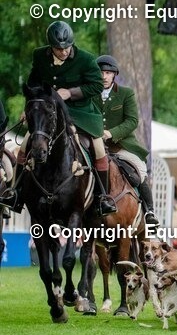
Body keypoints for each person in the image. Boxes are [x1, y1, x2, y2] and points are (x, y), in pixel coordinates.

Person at [0, 21, 116, 215]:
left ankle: (101, 198)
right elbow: (33, 82)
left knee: (98, 148)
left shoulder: (86, 60)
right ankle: (16, 194)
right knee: (24, 146)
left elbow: (96, 85)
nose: (63, 52)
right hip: (47, 113)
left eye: (66, 47)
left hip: (80, 113)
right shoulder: (39, 55)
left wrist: (70, 93)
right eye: (58, 48)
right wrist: (29, 107)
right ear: (50, 46)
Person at [95, 55, 160, 226]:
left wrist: (111, 133)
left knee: (139, 171)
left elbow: (132, 121)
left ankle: (149, 212)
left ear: (114, 75)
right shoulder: (90, 94)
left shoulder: (125, 93)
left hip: (120, 146)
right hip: (94, 145)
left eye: (108, 73)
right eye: (101, 72)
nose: (104, 76)